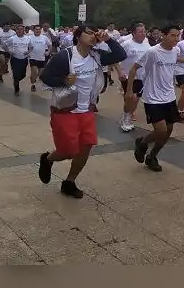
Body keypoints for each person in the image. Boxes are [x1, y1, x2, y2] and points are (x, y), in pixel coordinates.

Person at [37, 25, 127, 198]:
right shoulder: (66, 56)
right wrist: (64, 80)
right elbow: (45, 77)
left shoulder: (97, 55)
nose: (93, 36)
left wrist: (107, 39)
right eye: (88, 32)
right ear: (78, 36)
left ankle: (69, 182)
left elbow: (120, 55)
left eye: (95, 33)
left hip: (87, 110)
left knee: (85, 148)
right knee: (68, 151)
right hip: (65, 111)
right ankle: (47, 159)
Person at [129, 25, 182, 172]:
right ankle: (142, 143)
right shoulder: (152, 52)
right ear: (164, 35)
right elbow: (134, 68)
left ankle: (152, 156)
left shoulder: (176, 51)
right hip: (152, 98)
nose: (175, 39)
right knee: (161, 130)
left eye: (178, 36)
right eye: (172, 35)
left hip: (169, 97)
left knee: (168, 131)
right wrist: (129, 90)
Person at [117, 24, 151, 132]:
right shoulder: (127, 44)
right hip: (128, 75)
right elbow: (115, 57)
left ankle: (127, 117)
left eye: (144, 31)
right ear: (134, 33)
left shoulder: (147, 45)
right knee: (131, 98)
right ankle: (126, 119)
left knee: (135, 100)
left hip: (142, 76)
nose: (143, 34)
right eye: (140, 31)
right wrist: (120, 71)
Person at [5, 25, 31, 94]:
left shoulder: (28, 38)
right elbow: (4, 45)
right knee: (16, 75)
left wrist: (28, 52)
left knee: (23, 75)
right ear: (16, 30)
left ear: (23, 31)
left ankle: (16, 80)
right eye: (18, 29)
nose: (19, 31)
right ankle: (16, 88)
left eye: (21, 29)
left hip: (24, 59)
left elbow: (31, 47)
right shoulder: (12, 38)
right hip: (15, 59)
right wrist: (9, 51)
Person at [27, 26, 52, 92]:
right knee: (34, 72)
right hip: (33, 57)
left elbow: (50, 45)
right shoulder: (29, 37)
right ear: (33, 30)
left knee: (40, 74)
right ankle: (33, 84)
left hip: (42, 58)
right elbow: (25, 45)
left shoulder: (44, 37)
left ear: (41, 30)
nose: (38, 31)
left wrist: (48, 52)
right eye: (36, 29)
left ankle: (33, 78)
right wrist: (27, 52)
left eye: (39, 29)